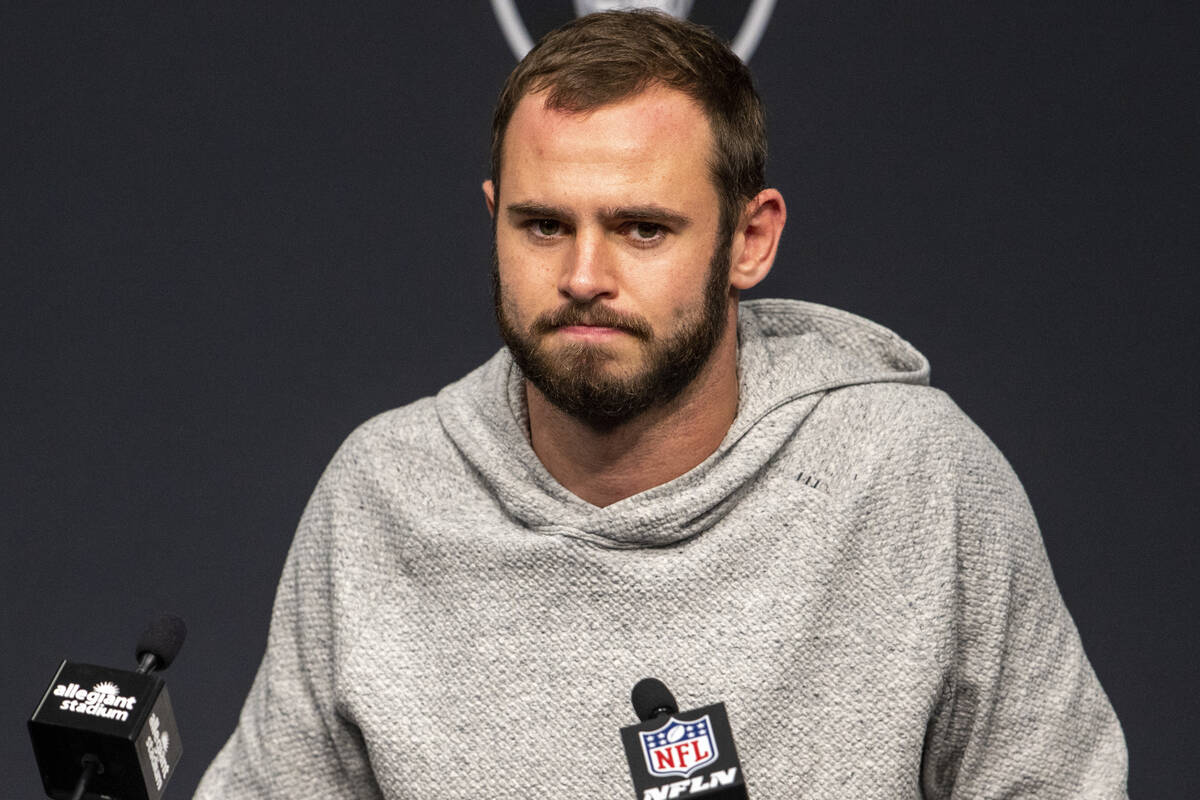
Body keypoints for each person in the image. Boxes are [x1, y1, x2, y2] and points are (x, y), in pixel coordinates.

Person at [195, 10, 1127, 799]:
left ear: (750, 240)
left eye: (643, 229)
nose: (584, 277)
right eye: (544, 226)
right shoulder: (381, 493)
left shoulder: (918, 478)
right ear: (493, 221)